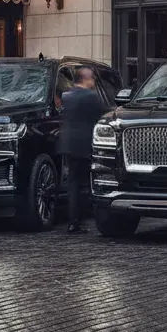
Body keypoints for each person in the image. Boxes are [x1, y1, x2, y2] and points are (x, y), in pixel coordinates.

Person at [57, 66, 105, 233]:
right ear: (86, 79)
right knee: (87, 183)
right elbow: (102, 116)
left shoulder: (67, 97)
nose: (93, 82)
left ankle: (73, 221)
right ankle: (85, 217)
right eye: (92, 79)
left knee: (73, 183)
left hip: (69, 144)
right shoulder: (91, 97)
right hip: (85, 144)